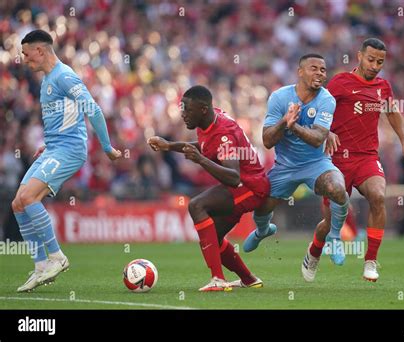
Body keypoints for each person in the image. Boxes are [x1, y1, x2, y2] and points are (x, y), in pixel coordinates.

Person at [12, 30, 122, 292]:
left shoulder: (64, 76)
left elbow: (92, 109)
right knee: (17, 203)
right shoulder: (48, 80)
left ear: (40, 51)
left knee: (29, 198)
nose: (25, 61)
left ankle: (57, 257)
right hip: (52, 149)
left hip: (69, 150)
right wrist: (46, 145)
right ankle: (40, 265)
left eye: (27, 55)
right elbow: (62, 118)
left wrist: (107, 147)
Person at [147, 85, 269, 291]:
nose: (183, 114)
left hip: (249, 187)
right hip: (245, 185)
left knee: (196, 206)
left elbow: (233, 176)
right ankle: (248, 279)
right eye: (182, 108)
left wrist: (201, 161)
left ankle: (218, 280)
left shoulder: (224, 133)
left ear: (203, 109)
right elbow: (205, 145)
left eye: (187, 109)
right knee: (213, 238)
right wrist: (169, 145)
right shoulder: (211, 120)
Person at [242, 54, 350, 281]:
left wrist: (294, 125)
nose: (320, 73)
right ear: (300, 72)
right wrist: (284, 121)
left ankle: (335, 236)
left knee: (338, 188)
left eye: (323, 69)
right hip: (285, 167)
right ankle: (263, 231)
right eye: (314, 68)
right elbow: (268, 141)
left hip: (315, 163)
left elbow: (318, 138)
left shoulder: (327, 99)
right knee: (260, 206)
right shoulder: (280, 97)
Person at [322, 38, 404, 282]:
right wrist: (326, 131)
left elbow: (392, 112)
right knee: (334, 211)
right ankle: (319, 248)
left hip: (366, 156)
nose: (375, 65)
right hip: (338, 157)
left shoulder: (383, 87)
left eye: (380, 62)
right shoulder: (340, 82)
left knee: (377, 195)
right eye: (371, 59)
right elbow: (321, 108)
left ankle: (371, 260)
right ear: (359, 56)